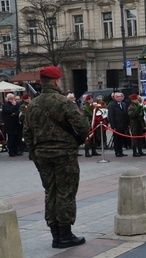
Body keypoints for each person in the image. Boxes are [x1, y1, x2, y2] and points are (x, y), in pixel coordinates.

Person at [23, 65, 90, 248]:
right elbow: (84, 126)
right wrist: (78, 140)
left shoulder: (33, 104)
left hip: (42, 155)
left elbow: (27, 134)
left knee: (50, 192)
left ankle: (56, 235)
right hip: (64, 154)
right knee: (65, 193)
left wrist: (34, 155)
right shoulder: (64, 102)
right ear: (57, 81)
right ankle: (66, 236)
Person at [108, 92, 129, 157]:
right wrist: (113, 126)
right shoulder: (112, 105)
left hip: (123, 124)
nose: (119, 98)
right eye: (117, 97)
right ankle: (117, 151)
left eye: (120, 96)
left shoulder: (123, 104)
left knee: (121, 139)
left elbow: (126, 114)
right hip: (117, 125)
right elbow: (111, 116)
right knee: (117, 139)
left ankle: (121, 151)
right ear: (114, 98)